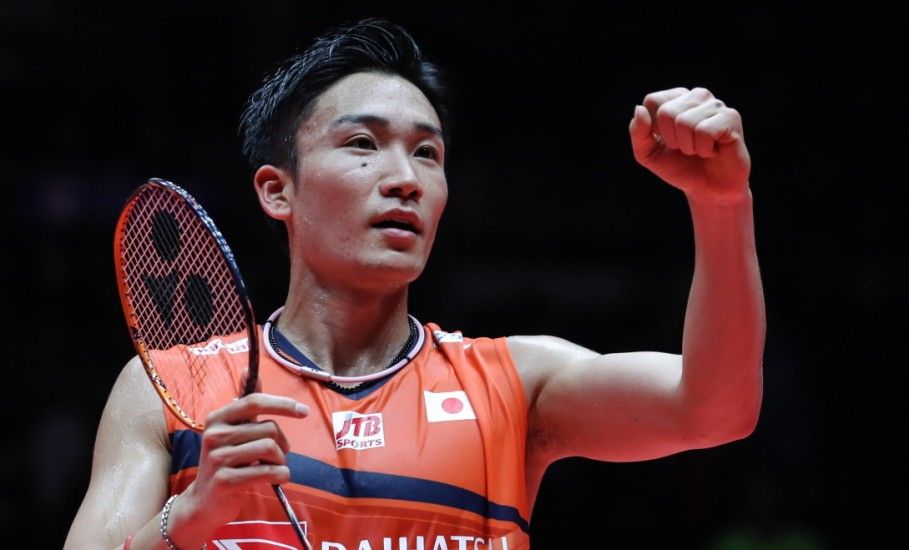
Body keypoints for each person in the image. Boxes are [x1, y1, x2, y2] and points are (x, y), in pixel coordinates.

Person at [65, 17, 764, 550]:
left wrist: (722, 204)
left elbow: (717, 409)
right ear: (278, 191)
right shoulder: (172, 390)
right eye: (362, 144)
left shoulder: (513, 386)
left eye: (427, 153)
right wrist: (186, 520)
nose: (405, 178)